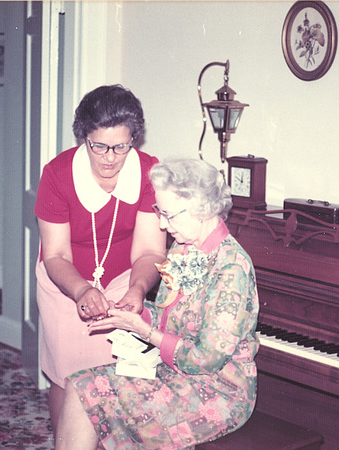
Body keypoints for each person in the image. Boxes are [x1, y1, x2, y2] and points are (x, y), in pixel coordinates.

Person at [55, 158, 260, 449]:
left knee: (91, 394)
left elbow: (207, 359)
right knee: (79, 386)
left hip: (217, 391)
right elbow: (172, 316)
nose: (162, 224)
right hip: (175, 373)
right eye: (159, 213)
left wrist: (144, 331)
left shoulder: (232, 268)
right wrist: (135, 312)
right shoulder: (183, 248)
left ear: (202, 208)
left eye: (169, 215)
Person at [34, 85, 167, 435]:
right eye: (99, 146)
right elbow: (57, 254)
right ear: (84, 138)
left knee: (119, 373)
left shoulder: (149, 172)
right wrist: (81, 291)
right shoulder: (57, 174)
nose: (110, 157)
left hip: (127, 275)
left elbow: (151, 251)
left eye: (121, 146)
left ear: (133, 139)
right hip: (65, 280)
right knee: (67, 375)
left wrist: (138, 289)